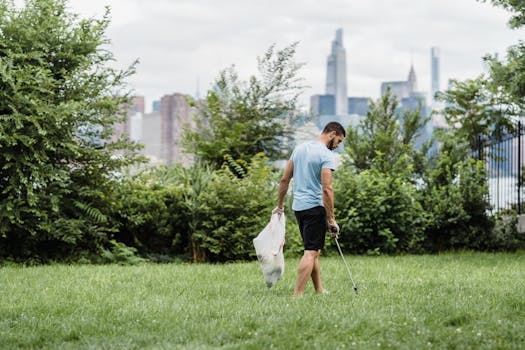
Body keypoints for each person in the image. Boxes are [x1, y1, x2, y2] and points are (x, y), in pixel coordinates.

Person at [273, 121, 346, 297]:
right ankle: (297, 295)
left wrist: (280, 205)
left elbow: (284, 180)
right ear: (332, 133)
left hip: (298, 207)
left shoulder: (299, 149)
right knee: (311, 252)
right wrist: (331, 219)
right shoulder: (326, 155)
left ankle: (319, 289)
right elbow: (327, 189)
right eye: (339, 141)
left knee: (314, 250)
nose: (337, 146)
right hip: (314, 207)